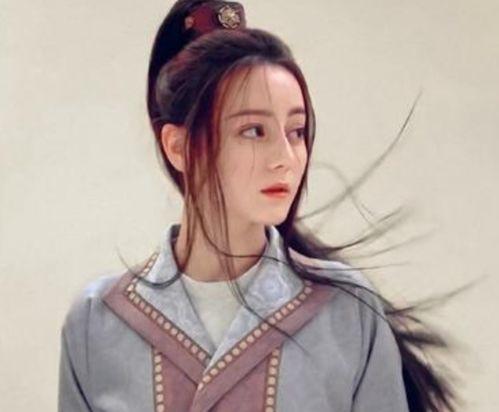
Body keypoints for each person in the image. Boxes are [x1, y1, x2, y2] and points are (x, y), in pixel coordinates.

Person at [58, 1, 459, 411]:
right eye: (254, 131)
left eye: (296, 131)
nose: (285, 157)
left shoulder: (346, 310)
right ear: (179, 147)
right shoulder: (97, 322)